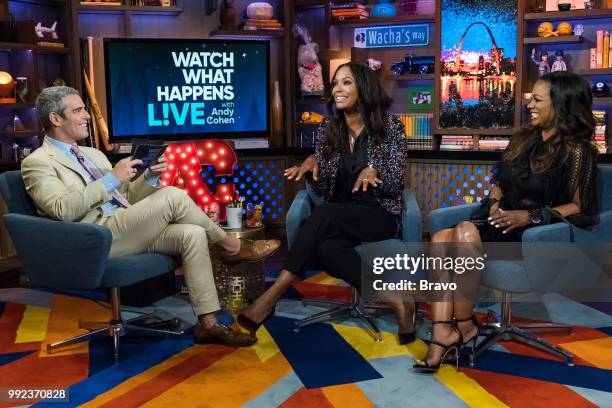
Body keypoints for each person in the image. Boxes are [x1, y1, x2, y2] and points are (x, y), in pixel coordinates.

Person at [22, 86, 281, 347]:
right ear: (55, 119)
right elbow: (61, 210)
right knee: (172, 195)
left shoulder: (93, 154)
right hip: (93, 238)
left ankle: (208, 325)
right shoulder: (38, 162)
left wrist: (149, 176)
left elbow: (128, 198)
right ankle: (229, 245)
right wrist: (112, 178)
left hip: (124, 227)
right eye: (78, 110)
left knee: (190, 234)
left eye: (85, 109)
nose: (87, 115)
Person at [414, 71, 599, 372]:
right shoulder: (523, 139)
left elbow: (581, 207)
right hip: (500, 223)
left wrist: (528, 216)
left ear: (561, 104)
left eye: (538, 99)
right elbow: (498, 180)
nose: (530, 105)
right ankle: (444, 331)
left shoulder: (579, 151)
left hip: (535, 234)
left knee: (461, 233)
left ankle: (459, 327)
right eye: (530, 99)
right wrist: (496, 203)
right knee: (439, 239)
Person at [235, 62, 415, 343]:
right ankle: (398, 301)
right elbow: (326, 187)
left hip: (378, 214)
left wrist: (374, 171)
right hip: (340, 213)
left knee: (325, 217)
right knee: (327, 247)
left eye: (346, 83)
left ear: (363, 87)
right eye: (335, 83)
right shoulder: (327, 130)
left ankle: (272, 296)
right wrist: (312, 167)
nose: (337, 90)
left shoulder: (390, 127)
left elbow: (395, 183)